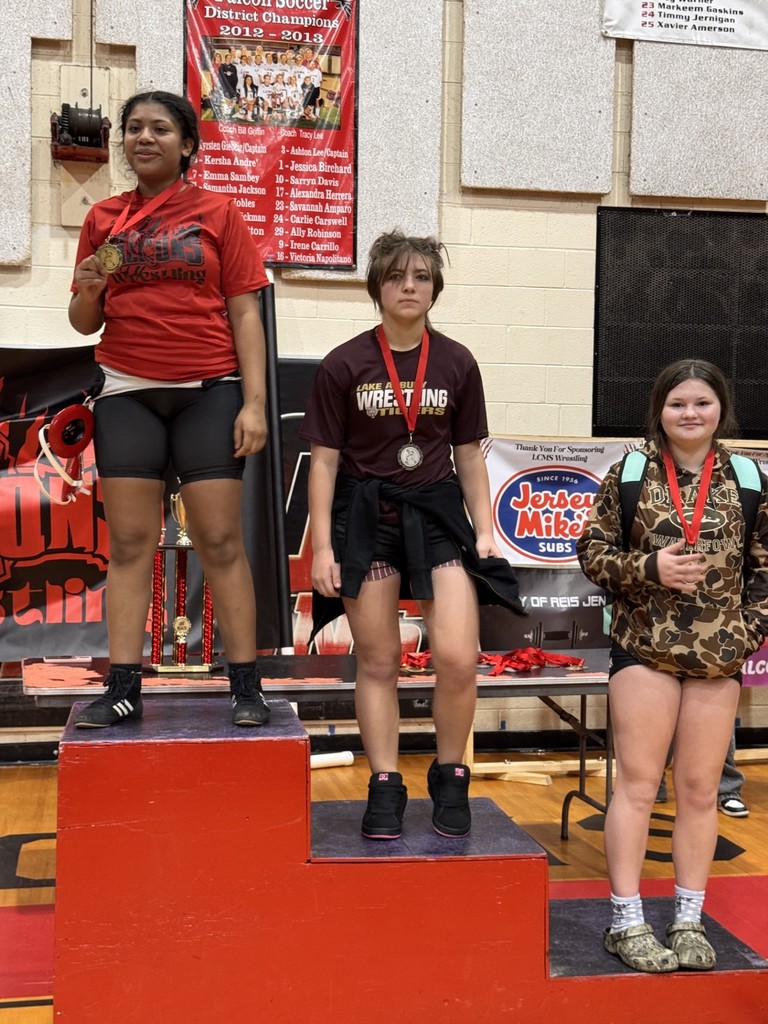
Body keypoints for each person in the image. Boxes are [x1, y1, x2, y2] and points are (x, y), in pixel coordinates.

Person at [300, 230, 524, 841]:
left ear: (434, 289)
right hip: (365, 520)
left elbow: (470, 456)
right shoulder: (343, 364)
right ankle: (385, 784)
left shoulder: (456, 361)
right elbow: (322, 462)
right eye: (397, 276)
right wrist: (322, 548)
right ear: (377, 286)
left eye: (421, 277)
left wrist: (486, 531)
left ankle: (451, 777)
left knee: (456, 657)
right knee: (379, 662)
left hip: (436, 516)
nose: (409, 287)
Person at [68, 91, 271, 729]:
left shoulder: (218, 212)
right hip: (128, 390)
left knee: (219, 541)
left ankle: (245, 685)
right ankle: (123, 686)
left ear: (187, 144)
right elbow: (82, 321)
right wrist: (92, 288)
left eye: (159, 128)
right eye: (133, 128)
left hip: (210, 392)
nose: (143, 137)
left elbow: (245, 312)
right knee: (129, 543)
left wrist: (256, 401)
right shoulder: (103, 218)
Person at [577, 359, 768, 973]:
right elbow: (591, 553)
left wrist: (749, 633)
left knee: (699, 791)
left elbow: (763, 570)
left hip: (717, 657)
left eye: (703, 403)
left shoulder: (748, 477)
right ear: (659, 409)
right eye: (678, 403)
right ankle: (626, 922)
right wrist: (647, 569)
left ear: (722, 410)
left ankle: (689, 918)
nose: (690, 413)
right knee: (636, 786)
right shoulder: (630, 472)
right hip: (645, 650)